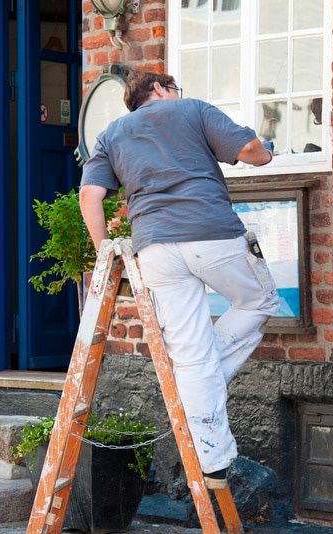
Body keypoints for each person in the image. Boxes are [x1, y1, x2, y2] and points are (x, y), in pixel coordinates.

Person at [79, 71, 280, 488]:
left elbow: (90, 195)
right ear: (159, 90)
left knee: (190, 354)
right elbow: (248, 149)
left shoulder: (111, 134)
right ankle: (206, 378)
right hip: (211, 233)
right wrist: (266, 154)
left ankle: (215, 462)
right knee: (259, 300)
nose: (176, 95)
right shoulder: (190, 110)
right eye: (174, 89)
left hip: (153, 249)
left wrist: (104, 249)